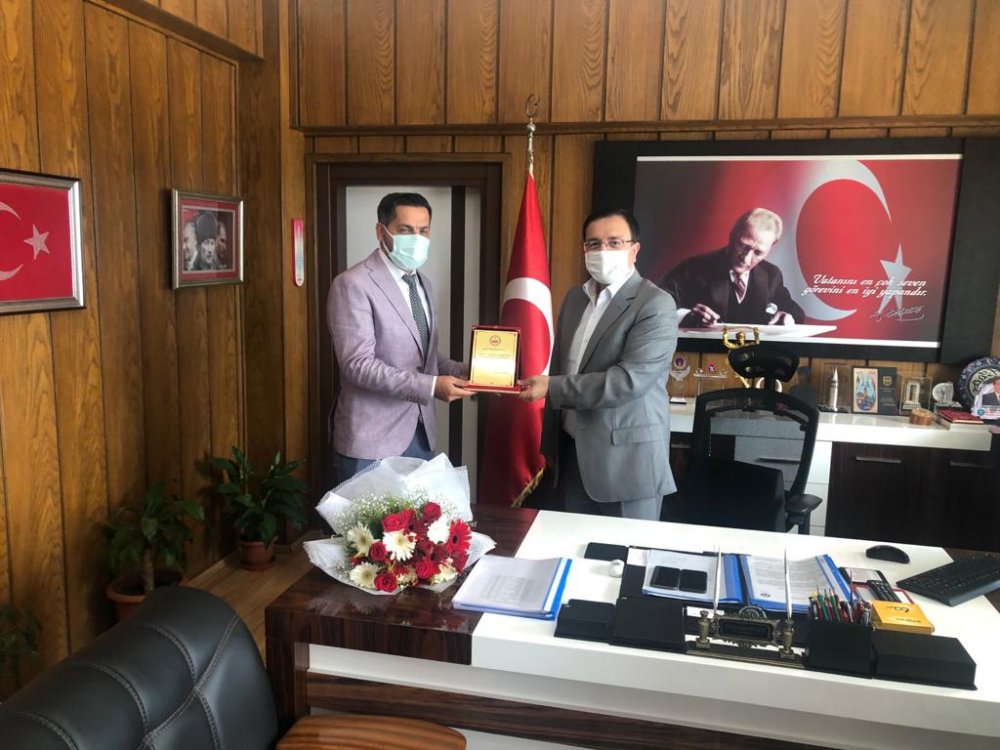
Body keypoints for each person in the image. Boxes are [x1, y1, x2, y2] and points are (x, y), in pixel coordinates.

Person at [518, 208, 678, 520]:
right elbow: (562, 366)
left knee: (628, 548)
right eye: (594, 243)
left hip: (626, 462)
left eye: (615, 242)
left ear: (634, 249)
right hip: (573, 454)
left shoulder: (655, 304)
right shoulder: (575, 299)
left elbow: (628, 381)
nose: (603, 251)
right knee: (577, 546)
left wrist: (551, 388)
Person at [326, 192, 473, 482]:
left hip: (420, 435)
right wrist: (432, 386)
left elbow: (424, 355)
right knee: (365, 515)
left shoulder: (423, 283)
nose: (416, 239)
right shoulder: (352, 284)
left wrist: (465, 371)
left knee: (420, 514)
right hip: (370, 441)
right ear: (381, 231)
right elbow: (358, 365)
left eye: (423, 231)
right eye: (405, 230)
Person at [659, 207, 804, 327]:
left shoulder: (772, 275)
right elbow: (656, 306)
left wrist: (787, 317)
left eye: (758, 252)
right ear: (733, 235)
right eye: (744, 245)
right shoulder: (692, 268)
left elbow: (796, 313)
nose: (746, 258)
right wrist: (686, 316)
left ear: (770, 250)